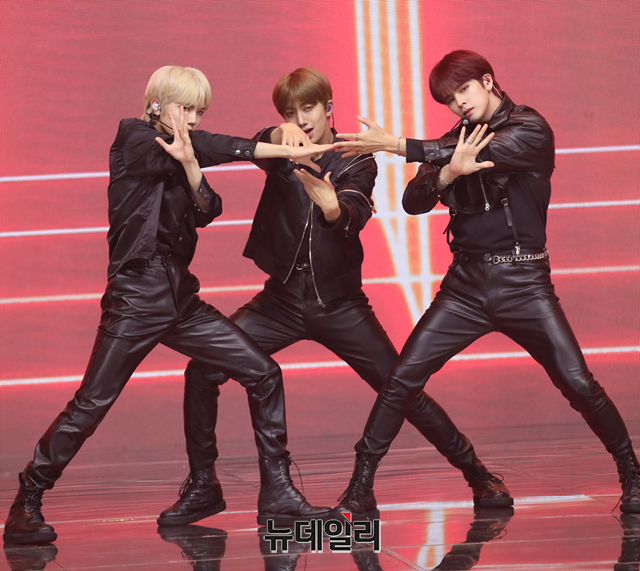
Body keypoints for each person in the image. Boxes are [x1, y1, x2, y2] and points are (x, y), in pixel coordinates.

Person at [157, 67, 512, 529]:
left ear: (327, 107)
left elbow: (353, 213)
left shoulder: (355, 159)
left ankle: (477, 473)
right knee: (203, 369)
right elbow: (259, 142)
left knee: (402, 389)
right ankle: (203, 485)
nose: (301, 120)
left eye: (307, 109)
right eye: (290, 112)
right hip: (281, 302)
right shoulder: (280, 151)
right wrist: (278, 133)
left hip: (340, 304)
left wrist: (330, 206)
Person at [2, 66, 336, 546]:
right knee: (91, 404)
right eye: (186, 108)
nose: (194, 119)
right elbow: (218, 146)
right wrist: (279, 150)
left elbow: (209, 208)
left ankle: (267, 492)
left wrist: (192, 165)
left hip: (179, 297)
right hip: (137, 297)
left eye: (200, 110)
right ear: (157, 103)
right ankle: (26, 502)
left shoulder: (183, 151)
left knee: (263, 373)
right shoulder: (134, 139)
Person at [331, 50, 640, 517]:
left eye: (464, 90)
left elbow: (485, 153)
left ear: (488, 81)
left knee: (578, 383)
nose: (459, 103)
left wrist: (397, 145)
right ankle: (362, 488)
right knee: (401, 381)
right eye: (450, 99)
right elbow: (414, 200)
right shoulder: (450, 142)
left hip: (524, 282)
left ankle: (632, 473)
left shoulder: (530, 129)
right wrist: (447, 173)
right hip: (465, 288)